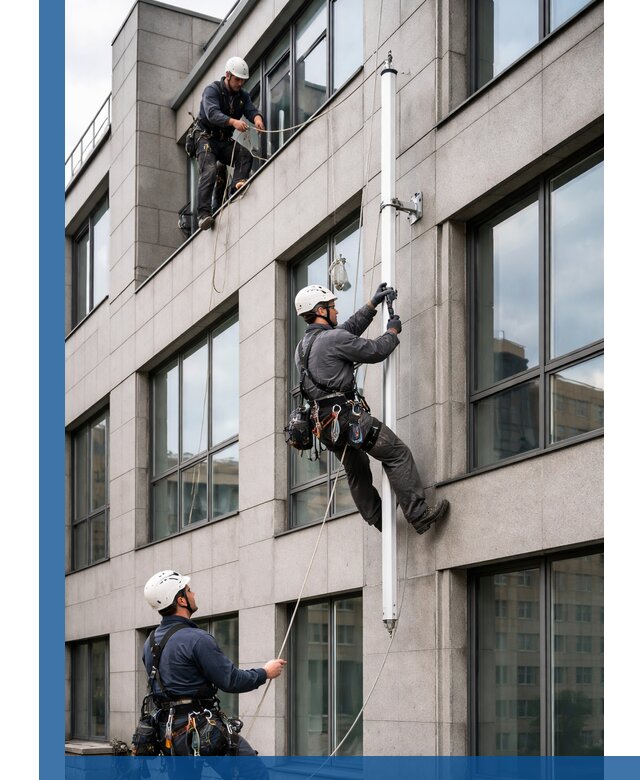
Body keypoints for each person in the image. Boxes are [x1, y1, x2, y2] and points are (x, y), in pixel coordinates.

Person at [293, 283, 450, 534]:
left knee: (356, 469)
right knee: (396, 453)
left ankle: (378, 519)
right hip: (346, 419)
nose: (337, 311)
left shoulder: (302, 348)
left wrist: (371, 305)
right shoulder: (333, 339)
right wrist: (392, 332)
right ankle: (419, 515)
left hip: (323, 425)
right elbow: (377, 351)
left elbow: (347, 330)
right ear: (320, 310)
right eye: (332, 308)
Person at [141, 570, 285, 769]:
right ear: (181, 600)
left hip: (167, 731)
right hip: (198, 728)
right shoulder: (197, 639)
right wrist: (265, 672)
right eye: (189, 591)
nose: (194, 594)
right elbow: (231, 680)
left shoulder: (150, 642)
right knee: (252, 772)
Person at [194, 57, 265, 230]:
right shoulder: (212, 90)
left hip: (223, 140)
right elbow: (212, 113)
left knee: (244, 155)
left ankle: (237, 184)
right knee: (210, 170)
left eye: (243, 80)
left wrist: (257, 119)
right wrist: (233, 122)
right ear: (227, 75)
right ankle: (203, 214)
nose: (240, 83)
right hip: (206, 137)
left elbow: (250, 109)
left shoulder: (242, 96)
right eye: (237, 79)